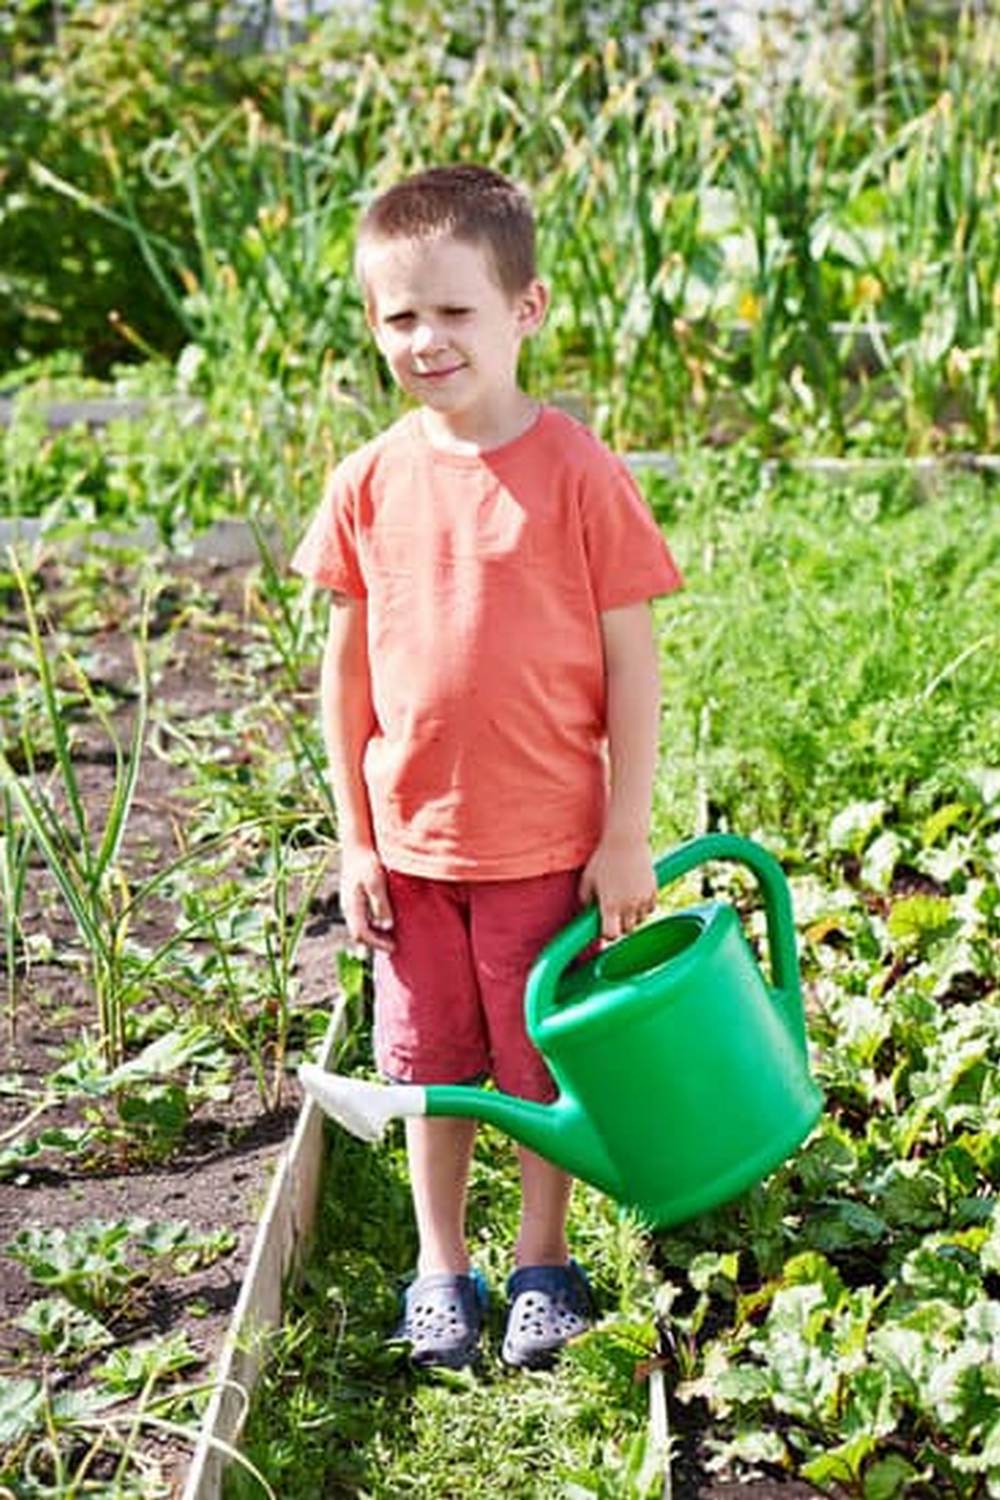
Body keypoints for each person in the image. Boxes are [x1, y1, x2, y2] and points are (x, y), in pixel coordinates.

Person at [292, 163, 683, 1371]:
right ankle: (437, 1268)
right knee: (430, 1069)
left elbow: (633, 666)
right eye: (398, 315)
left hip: (546, 845)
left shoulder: (575, 472)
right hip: (411, 850)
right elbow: (344, 681)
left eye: (454, 311)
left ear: (525, 309)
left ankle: (541, 1262)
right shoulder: (369, 481)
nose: (424, 339)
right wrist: (354, 835)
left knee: (536, 1065)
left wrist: (625, 830)